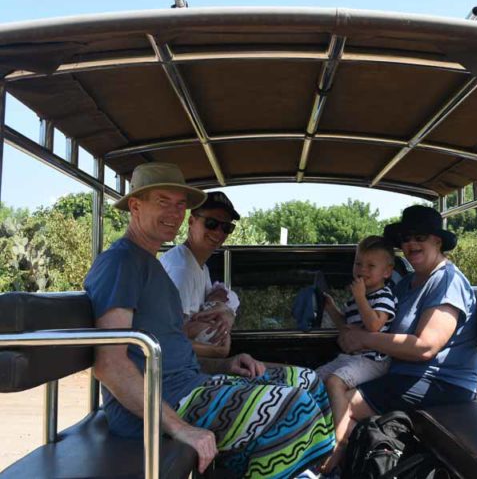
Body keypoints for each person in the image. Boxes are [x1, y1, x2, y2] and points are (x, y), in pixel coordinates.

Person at [84, 162, 334, 478]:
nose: (175, 213)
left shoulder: (153, 267)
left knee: (309, 382)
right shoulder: (121, 262)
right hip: (157, 406)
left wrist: (225, 365)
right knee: (293, 408)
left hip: (188, 386)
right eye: (164, 202)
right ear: (135, 205)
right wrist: (182, 429)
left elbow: (177, 352)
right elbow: (109, 364)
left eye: (180, 205)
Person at [320, 205, 477, 473]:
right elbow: (378, 324)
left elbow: (426, 347)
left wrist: (364, 339)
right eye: (406, 238)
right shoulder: (406, 284)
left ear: (437, 241)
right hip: (401, 374)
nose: (411, 244)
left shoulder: (447, 280)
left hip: (442, 381)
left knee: (342, 401)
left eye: (420, 238)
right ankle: (364, 463)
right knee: (329, 392)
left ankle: (342, 457)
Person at [316, 236, 397, 462]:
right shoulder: (356, 300)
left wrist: (360, 297)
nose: (362, 270)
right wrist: (331, 307)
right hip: (352, 357)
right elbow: (346, 326)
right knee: (314, 380)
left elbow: (373, 326)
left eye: (371, 266)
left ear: (387, 272)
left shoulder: (384, 296)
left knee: (334, 381)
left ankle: (340, 441)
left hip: (374, 360)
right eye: (358, 264)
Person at [160, 191, 241, 358]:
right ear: (191, 221)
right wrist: (217, 351)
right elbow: (168, 340)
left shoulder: (200, 267)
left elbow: (214, 305)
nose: (219, 232)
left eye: (226, 227)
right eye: (211, 223)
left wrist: (227, 312)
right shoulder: (182, 270)